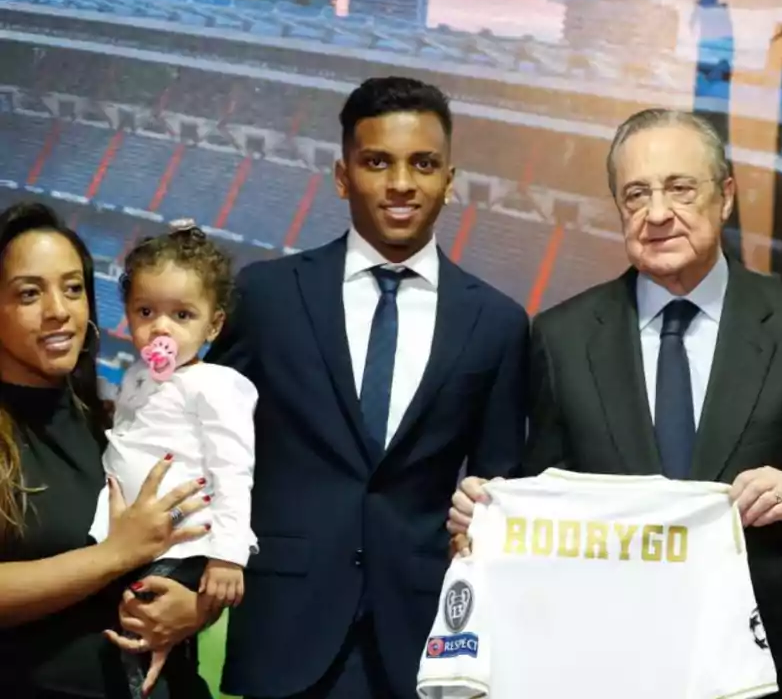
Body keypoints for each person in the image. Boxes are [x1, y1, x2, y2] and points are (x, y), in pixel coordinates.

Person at [449, 108, 782, 698]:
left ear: (726, 195)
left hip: (767, 669)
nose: (657, 214)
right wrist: (489, 517)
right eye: (636, 195)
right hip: (607, 666)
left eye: (681, 188)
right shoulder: (561, 338)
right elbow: (543, 499)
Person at [207, 76, 529, 699]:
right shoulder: (267, 296)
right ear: (341, 174)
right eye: (377, 162)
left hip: (423, 637)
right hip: (284, 631)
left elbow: (499, 484)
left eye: (424, 164)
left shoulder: (496, 323)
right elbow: (209, 444)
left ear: (449, 179)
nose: (402, 183)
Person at [0, 201, 213, 698]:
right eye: (29, 293)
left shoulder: (113, 420)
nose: (59, 310)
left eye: (73, 288)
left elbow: (186, 540)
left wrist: (198, 608)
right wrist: (117, 554)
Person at [88, 223, 258, 698]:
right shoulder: (138, 376)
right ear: (127, 314)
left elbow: (232, 468)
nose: (161, 328)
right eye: (147, 312)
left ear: (214, 325)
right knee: (141, 638)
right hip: (134, 541)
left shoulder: (217, 385)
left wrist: (227, 555)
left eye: (182, 315)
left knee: (142, 626)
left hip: (183, 545)